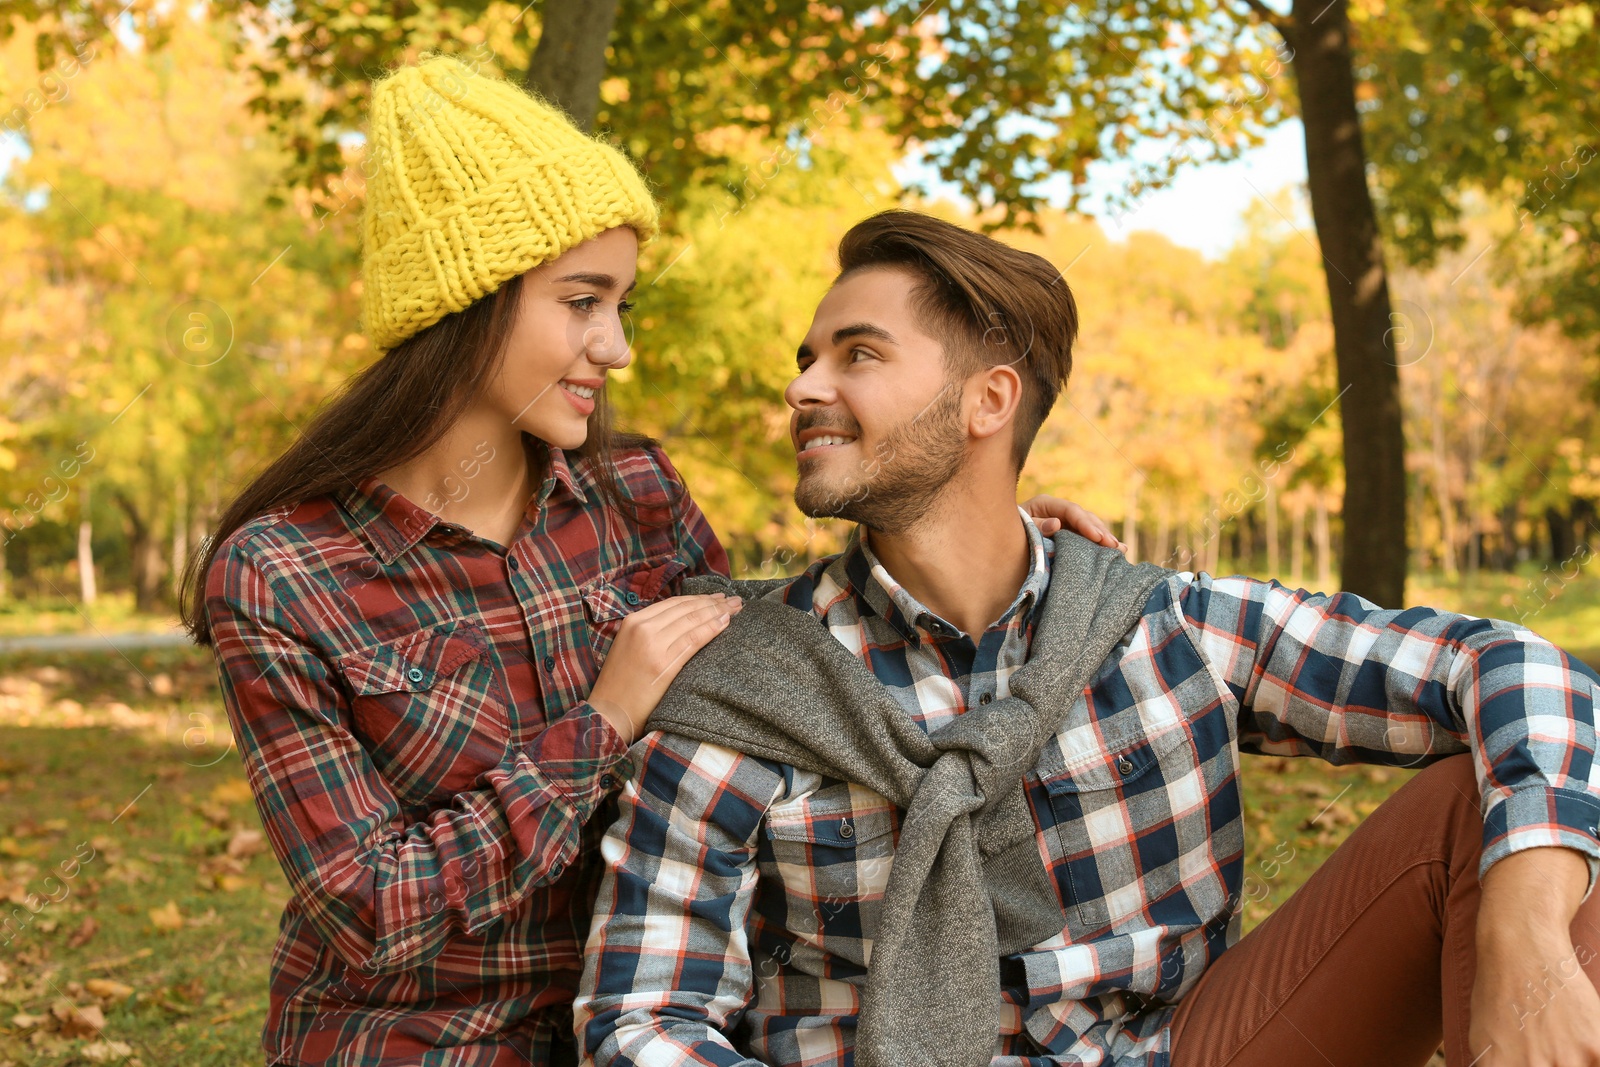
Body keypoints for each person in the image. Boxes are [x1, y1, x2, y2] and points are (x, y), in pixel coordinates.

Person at [183, 58, 1116, 1066]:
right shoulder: (283, 572)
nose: (614, 346)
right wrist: (600, 724)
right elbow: (369, 908)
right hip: (420, 1041)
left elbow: (772, 659)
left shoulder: (633, 494)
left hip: (656, 1018)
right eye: (583, 301)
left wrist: (973, 527)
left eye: (621, 304)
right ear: (467, 305)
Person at [574, 210, 1600, 1067]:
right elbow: (641, 1019)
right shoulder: (744, 688)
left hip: (1184, 1049)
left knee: (1514, 816)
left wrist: (1521, 929)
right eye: (805, 360)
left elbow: (1510, 663)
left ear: (988, 400)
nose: (801, 388)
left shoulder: (1160, 624)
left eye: (857, 354)